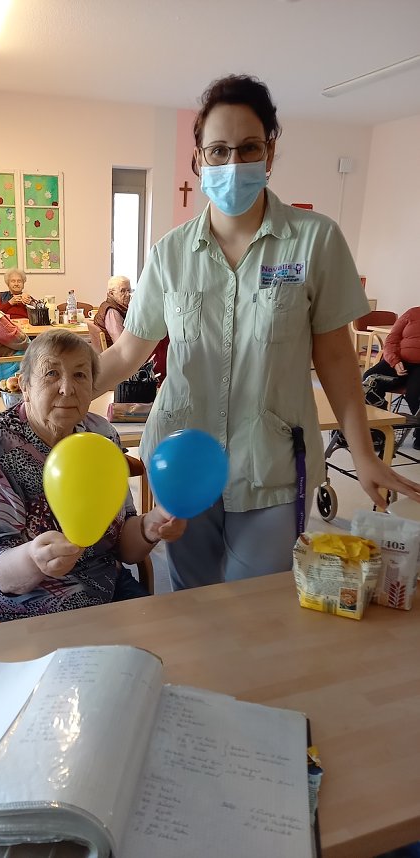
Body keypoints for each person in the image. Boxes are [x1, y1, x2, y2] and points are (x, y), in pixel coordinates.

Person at [96, 74, 420, 591]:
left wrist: (362, 454)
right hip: (181, 463)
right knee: (192, 603)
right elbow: (127, 352)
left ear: (269, 152)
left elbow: (337, 359)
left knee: (256, 610)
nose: (233, 163)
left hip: (272, 466)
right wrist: (54, 389)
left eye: (248, 148)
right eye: (218, 150)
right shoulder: (170, 253)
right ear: (199, 159)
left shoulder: (314, 241)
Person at [0, 329, 185, 624]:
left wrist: (149, 527)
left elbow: (121, 544)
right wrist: (34, 559)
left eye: (80, 375)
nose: (67, 388)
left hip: (98, 587)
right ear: (25, 385)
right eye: (51, 373)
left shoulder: (101, 436)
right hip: (6, 606)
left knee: (164, 640)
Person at [363, 307, 420, 449]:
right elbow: (391, 340)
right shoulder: (412, 313)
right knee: (370, 379)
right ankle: (375, 431)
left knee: (415, 393)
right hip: (398, 361)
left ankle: (419, 434)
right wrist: (394, 361)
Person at [93, 275, 132, 347]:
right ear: (111, 293)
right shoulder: (112, 311)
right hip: (116, 352)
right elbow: (120, 344)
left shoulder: (106, 305)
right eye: (123, 291)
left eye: (129, 290)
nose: (127, 294)